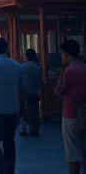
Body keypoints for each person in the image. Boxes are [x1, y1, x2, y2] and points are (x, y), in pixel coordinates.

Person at [0, 37, 26, 174]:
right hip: (13, 110)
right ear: (6, 49)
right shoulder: (17, 65)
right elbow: (22, 88)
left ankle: (3, 168)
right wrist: (21, 107)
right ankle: (10, 169)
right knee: (9, 141)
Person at [54, 39, 86, 174]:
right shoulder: (84, 68)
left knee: (73, 151)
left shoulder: (68, 71)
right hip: (84, 112)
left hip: (70, 114)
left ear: (66, 54)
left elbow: (58, 90)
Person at [20, 48, 42, 137]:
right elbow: (40, 81)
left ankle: (25, 129)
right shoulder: (38, 67)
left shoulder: (22, 67)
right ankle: (34, 129)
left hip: (25, 91)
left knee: (24, 111)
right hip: (35, 91)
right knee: (34, 111)